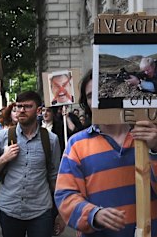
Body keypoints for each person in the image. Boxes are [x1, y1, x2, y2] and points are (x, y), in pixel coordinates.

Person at [55, 70, 157, 236]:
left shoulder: (148, 137)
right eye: (90, 96)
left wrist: (155, 149)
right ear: (85, 103)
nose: (97, 101)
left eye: (102, 94)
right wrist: (93, 215)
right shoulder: (76, 144)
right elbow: (65, 195)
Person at [0, 91, 65, 237]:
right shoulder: (2, 137)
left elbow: (55, 179)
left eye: (27, 106)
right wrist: (4, 158)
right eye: (19, 106)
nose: (21, 110)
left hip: (41, 210)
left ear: (38, 110)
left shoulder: (51, 140)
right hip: (10, 209)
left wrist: (62, 212)